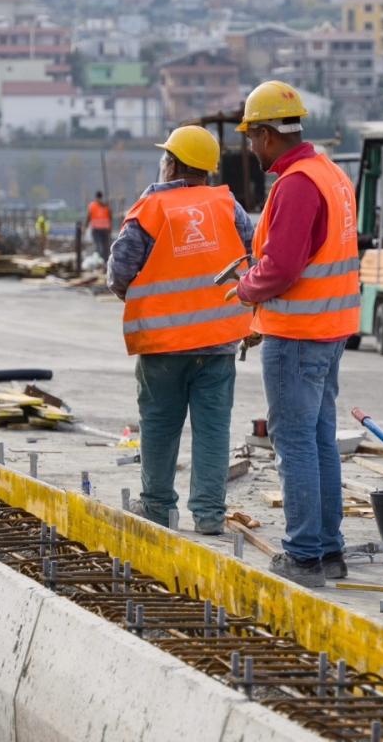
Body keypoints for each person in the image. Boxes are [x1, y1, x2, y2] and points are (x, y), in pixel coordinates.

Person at [228, 80, 360, 588]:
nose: (251, 148)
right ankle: (328, 551)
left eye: (251, 137)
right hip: (330, 329)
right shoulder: (331, 175)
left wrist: (245, 290)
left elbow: (281, 268)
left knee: (296, 442)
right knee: (319, 438)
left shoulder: (297, 183)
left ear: (265, 134)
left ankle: (304, 555)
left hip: (298, 332)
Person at [108, 126, 254, 536]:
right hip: (220, 342)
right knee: (212, 430)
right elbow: (253, 258)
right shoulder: (229, 206)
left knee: (159, 424)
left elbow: (119, 272)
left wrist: (148, 301)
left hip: (162, 343)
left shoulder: (151, 209)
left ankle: (157, 508)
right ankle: (208, 515)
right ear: (207, 169)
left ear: (170, 163)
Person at [87, 191, 112, 263]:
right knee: (99, 247)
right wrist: (85, 227)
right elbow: (89, 217)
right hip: (96, 230)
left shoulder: (106, 206)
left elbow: (110, 217)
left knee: (105, 247)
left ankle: (105, 262)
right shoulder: (93, 206)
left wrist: (110, 228)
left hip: (104, 230)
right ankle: (100, 261)